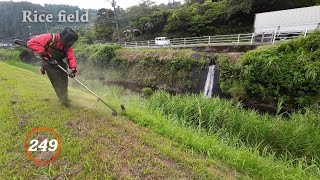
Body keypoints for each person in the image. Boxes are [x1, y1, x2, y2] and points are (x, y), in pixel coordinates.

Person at [27, 27, 79, 107]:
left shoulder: (67, 47)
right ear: (63, 37)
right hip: (48, 62)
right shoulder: (50, 38)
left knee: (64, 80)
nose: (68, 44)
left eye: (70, 42)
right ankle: (63, 101)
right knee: (57, 80)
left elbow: (71, 57)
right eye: (67, 41)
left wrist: (73, 69)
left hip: (59, 62)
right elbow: (31, 43)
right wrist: (44, 53)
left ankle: (65, 97)